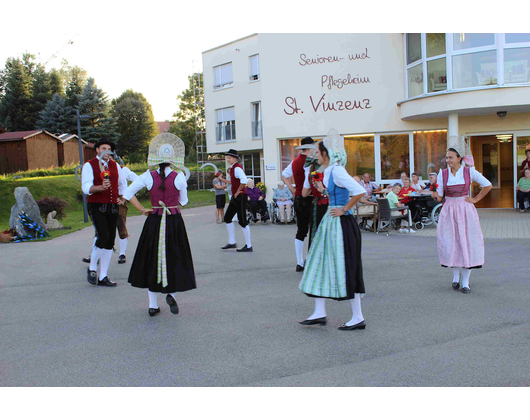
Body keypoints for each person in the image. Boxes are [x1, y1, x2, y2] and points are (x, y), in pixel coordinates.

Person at [118, 133, 196, 316]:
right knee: (174, 257)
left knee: (152, 259)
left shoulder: (147, 175)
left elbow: (127, 194)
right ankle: (170, 294)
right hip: (173, 221)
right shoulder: (179, 176)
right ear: (173, 159)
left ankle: (153, 305)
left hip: (154, 221)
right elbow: (183, 202)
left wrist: (142, 210)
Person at [298, 131, 367, 331]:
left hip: (341, 224)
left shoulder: (336, 170)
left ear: (326, 154)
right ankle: (319, 312)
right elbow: (337, 191)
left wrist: (345, 209)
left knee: (347, 267)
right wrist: (323, 188)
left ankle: (358, 317)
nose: (316, 155)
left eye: (318, 152)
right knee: (318, 262)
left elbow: (359, 191)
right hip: (330, 222)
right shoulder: (329, 171)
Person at [433, 147, 492, 294]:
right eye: (446, 157)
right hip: (448, 211)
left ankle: (465, 281)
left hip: (465, 210)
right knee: (450, 242)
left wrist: (475, 199)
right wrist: (434, 192)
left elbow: (488, 185)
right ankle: (455, 277)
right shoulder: (443, 174)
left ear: (459, 158)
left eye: (451, 157)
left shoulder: (469, 171)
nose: (448, 160)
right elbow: (440, 197)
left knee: (467, 242)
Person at [81, 138, 127, 287]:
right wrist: (99, 187)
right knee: (103, 235)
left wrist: (122, 198)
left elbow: (122, 184)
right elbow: (86, 186)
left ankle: (103, 276)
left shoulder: (115, 166)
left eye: (109, 149)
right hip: (96, 205)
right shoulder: (89, 165)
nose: (106, 151)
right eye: (103, 148)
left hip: (112, 206)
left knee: (110, 240)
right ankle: (92, 268)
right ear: (97, 150)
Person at [282, 137, 317, 272]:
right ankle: (309, 258)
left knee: (301, 230)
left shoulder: (295, 162)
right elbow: (310, 182)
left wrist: (292, 189)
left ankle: (299, 262)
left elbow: (285, 175)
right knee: (314, 229)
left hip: (298, 199)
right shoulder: (310, 162)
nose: (314, 150)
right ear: (309, 148)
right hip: (309, 198)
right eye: (313, 148)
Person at [221, 149, 253, 252]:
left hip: (240, 196)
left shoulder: (237, 168)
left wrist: (237, 191)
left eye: (229, 158)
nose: (227, 159)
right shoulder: (233, 168)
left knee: (242, 220)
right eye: (227, 158)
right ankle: (232, 242)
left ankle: (249, 245)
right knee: (227, 217)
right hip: (236, 197)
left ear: (235, 158)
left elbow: (244, 181)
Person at [302, 156, 329, 248]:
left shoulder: (310, 174)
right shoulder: (328, 173)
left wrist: (312, 190)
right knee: (328, 232)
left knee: (316, 231)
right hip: (328, 204)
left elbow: (304, 194)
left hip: (316, 205)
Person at [116, 160, 139, 264]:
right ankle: (96, 253)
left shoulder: (123, 170)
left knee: (121, 225)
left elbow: (137, 180)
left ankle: (122, 253)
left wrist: (128, 192)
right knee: (101, 228)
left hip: (120, 200)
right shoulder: (102, 169)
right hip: (105, 201)